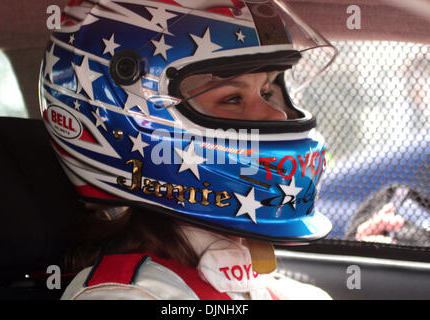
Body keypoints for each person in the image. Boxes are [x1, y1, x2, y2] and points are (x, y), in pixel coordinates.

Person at [40, 0, 337, 299]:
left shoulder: (286, 292)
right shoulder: (123, 296)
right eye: (232, 98)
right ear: (136, 116)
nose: (278, 114)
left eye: (267, 91)